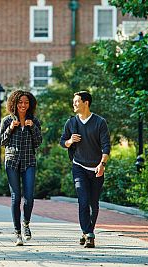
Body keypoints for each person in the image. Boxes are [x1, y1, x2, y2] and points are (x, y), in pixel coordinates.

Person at [60, 91, 111, 248]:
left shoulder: (99, 122)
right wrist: (69, 141)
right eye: (73, 101)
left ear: (86, 103)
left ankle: (87, 232)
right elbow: (62, 142)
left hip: (96, 168)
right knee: (83, 200)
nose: (74, 104)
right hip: (79, 166)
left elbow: (106, 146)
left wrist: (102, 165)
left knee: (93, 203)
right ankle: (88, 233)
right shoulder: (71, 123)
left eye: (76, 101)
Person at [0, 90, 42, 246]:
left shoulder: (34, 121)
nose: (23, 105)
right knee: (16, 197)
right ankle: (17, 233)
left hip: (29, 162)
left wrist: (32, 128)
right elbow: (0, 142)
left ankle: (26, 224)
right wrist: (10, 128)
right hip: (12, 162)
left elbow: (38, 143)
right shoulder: (6, 120)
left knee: (29, 197)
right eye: (20, 102)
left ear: (30, 105)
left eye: (26, 102)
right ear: (14, 103)